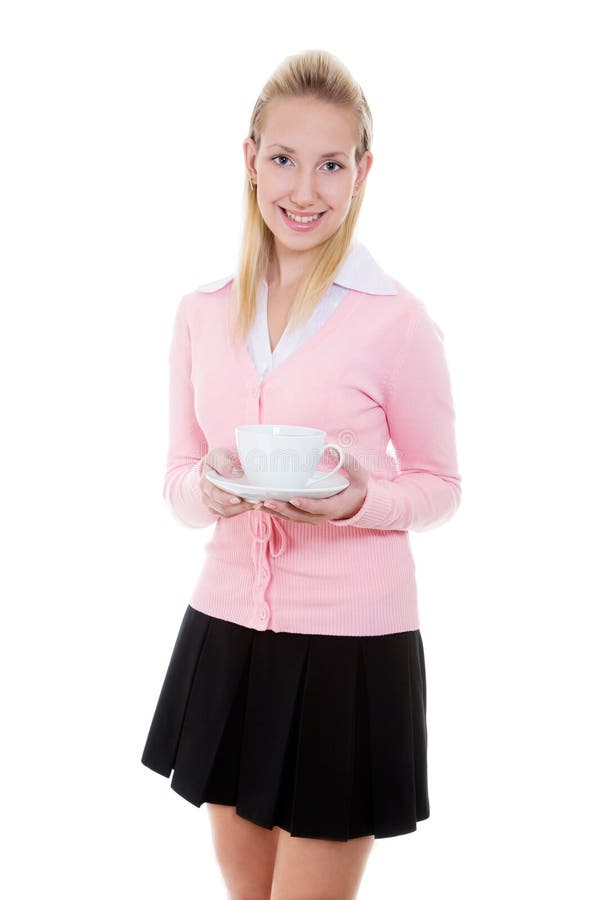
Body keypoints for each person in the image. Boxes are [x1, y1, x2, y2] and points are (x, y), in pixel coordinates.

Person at [141, 48, 462, 900]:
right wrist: (205, 489)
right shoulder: (201, 314)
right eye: (284, 159)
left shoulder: (397, 322)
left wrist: (360, 501)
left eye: (331, 165)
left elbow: (439, 486)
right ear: (250, 161)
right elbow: (176, 475)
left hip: (352, 652)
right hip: (226, 634)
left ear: (363, 172)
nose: (304, 190)